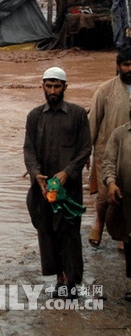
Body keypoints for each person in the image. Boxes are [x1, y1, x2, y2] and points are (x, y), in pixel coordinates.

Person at [24, 67, 91, 298]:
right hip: (43, 188)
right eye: (48, 86)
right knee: (48, 231)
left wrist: (67, 173)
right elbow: (28, 150)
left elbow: (85, 149)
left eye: (57, 86)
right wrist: (36, 174)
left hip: (68, 187)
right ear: (42, 86)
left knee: (69, 232)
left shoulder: (78, 114)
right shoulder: (34, 116)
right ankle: (59, 279)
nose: (52, 91)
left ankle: (72, 282)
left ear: (65, 87)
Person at [87, 45, 131, 248]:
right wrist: (86, 151)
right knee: (105, 195)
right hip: (107, 151)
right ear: (118, 66)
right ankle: (99, 223)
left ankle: (124, 234)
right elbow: (93, 121)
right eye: (127, 65)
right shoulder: (105, 90)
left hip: (129, 152)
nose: (130, 69)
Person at [102, 106, 131, 301]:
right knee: (129, 240)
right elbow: (109, 162)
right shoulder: (120, 134)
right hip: (127, 199)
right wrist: (111, 183)